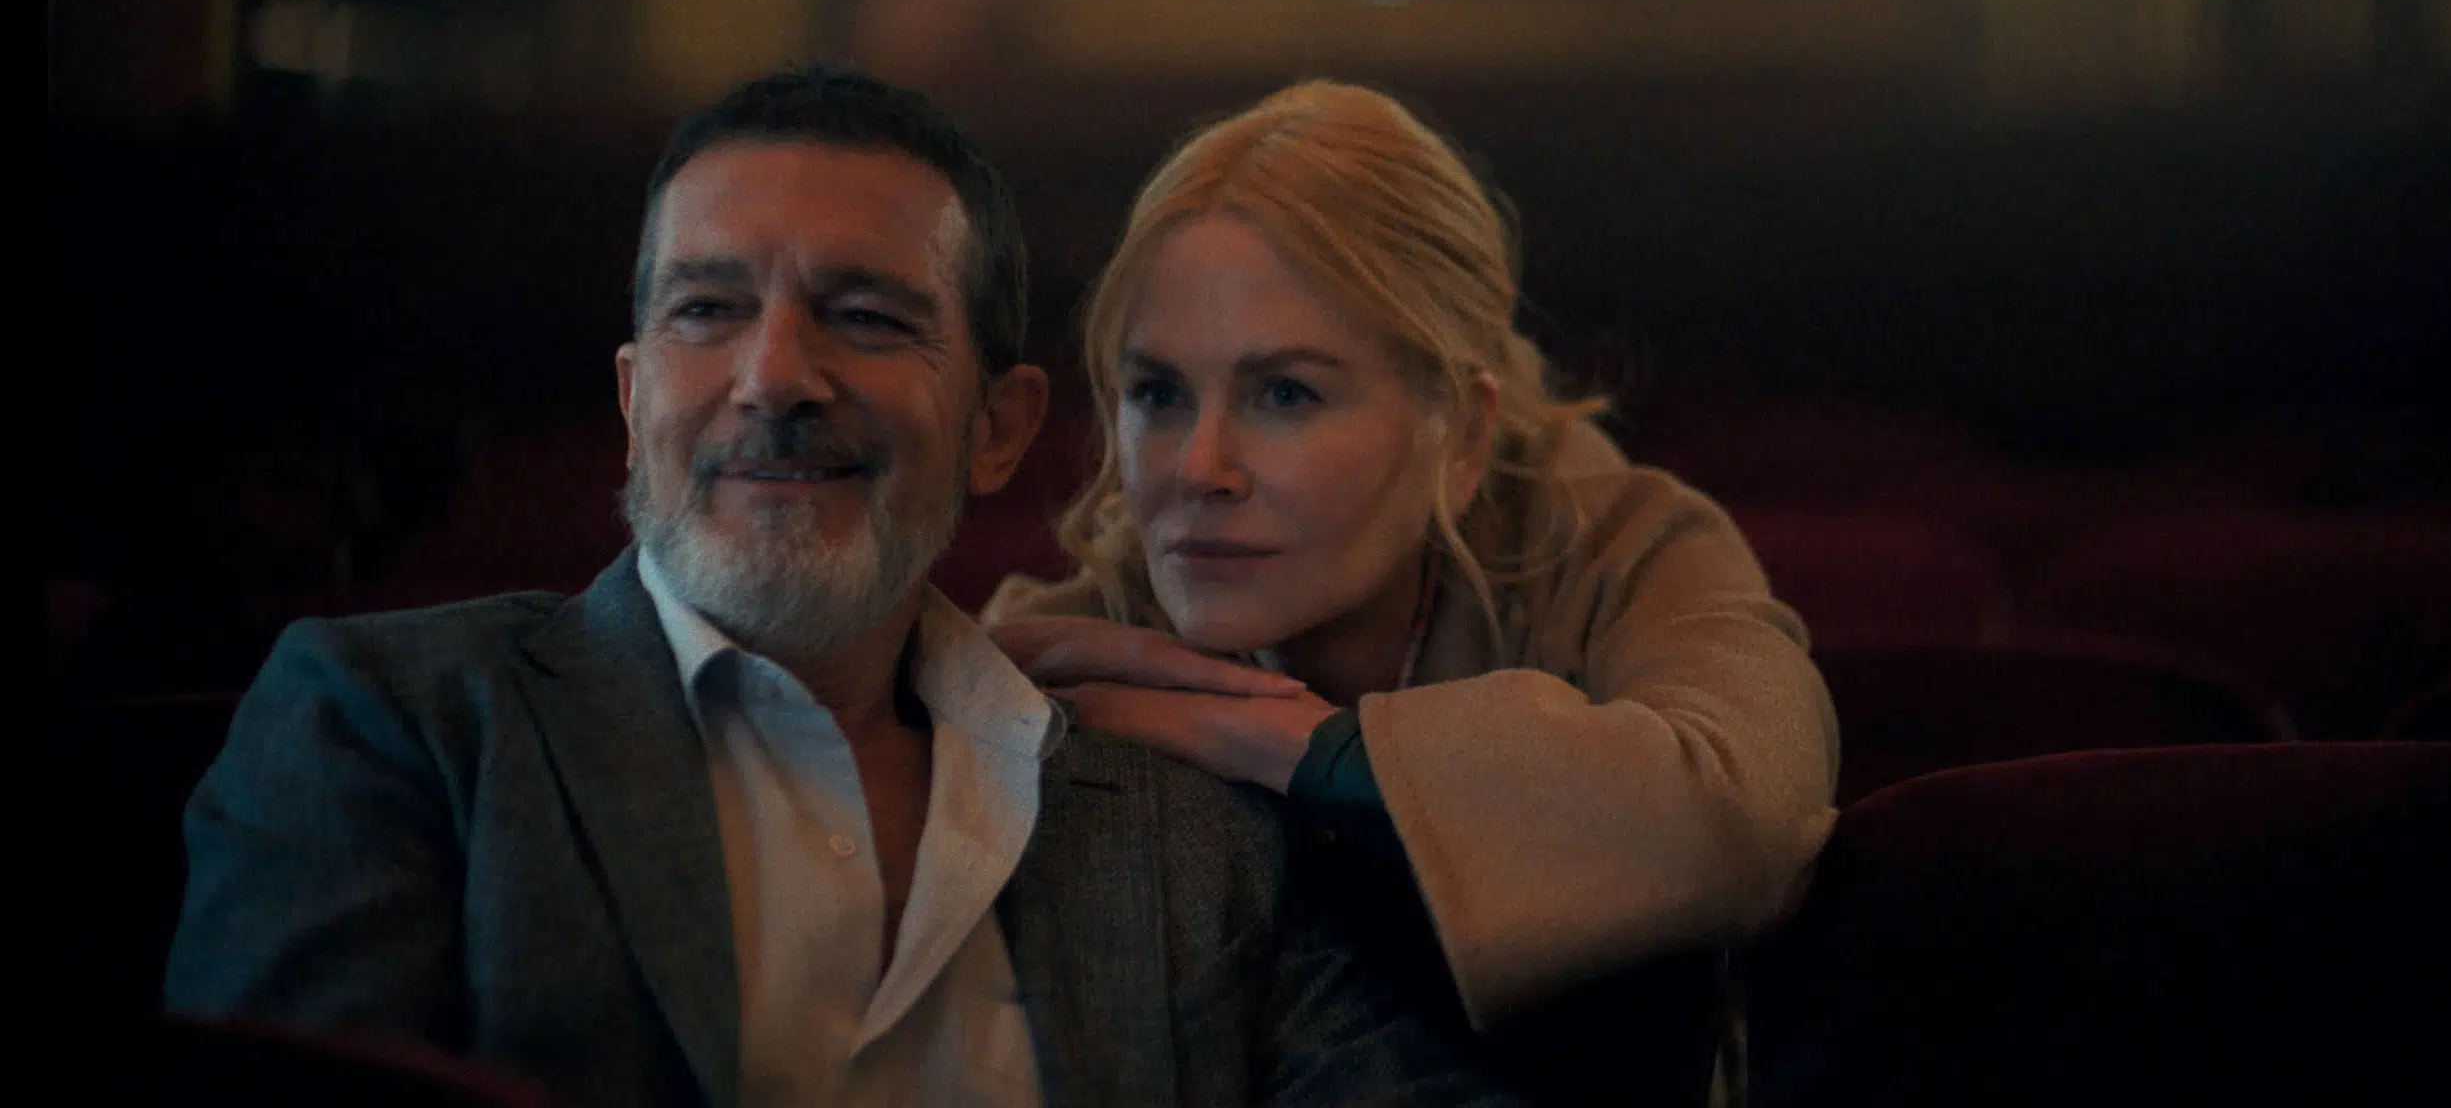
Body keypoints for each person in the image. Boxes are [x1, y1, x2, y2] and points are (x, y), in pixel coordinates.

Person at [167, 66, 1521, 1108]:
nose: (773, 378)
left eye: (865, 317)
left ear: (1000, 427)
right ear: (634, 399)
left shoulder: (1189, 827)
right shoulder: (399, 726)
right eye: (707, 309)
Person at [985, 81, 1842, 1099]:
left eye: (1285, 393)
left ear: (1463, 431)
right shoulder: (1075, 643)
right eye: (1158, 393)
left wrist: (1295, 745)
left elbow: (1744, 812)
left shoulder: (1624, 546)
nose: (1199, 466)